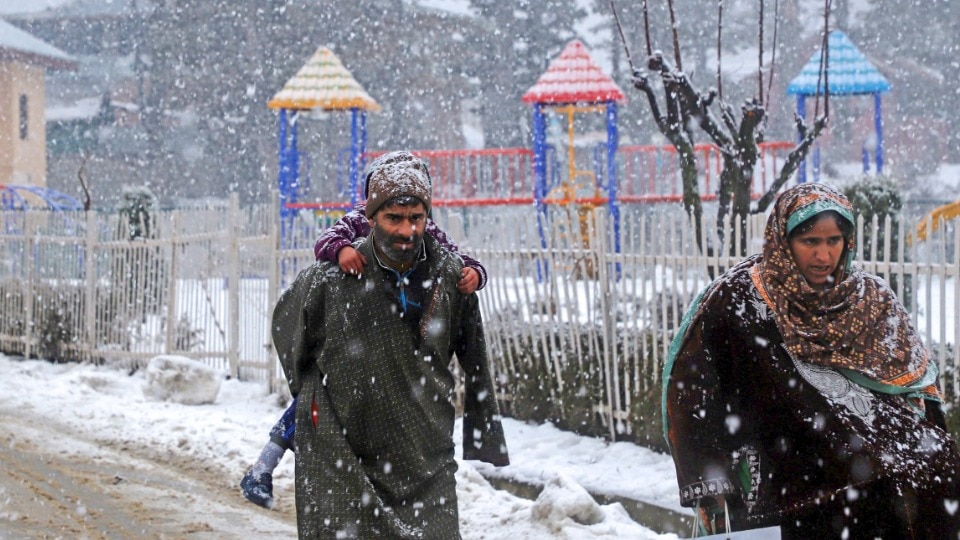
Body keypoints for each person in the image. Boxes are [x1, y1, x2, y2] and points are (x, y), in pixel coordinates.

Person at [663, 183, 960, 538]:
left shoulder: (872, 299)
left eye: (833, 241)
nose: (824, 256)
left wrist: (927, 448)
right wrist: (710, 481)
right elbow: (692, 390)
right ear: (783, 241)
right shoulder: (739, 299)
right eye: (810, 242)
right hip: (783, 484)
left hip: (872, 483)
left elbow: (916, 388)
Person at [271, 154, 508, 538]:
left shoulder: (448, 274)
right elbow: (289, 326)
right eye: (393, 219)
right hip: (349, 453)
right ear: (371, 216)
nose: (406, 230)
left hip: (424, 453)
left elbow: (475, 356)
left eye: (415, 218)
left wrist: (484, 432)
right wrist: (314, 396)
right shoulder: (333, 278)